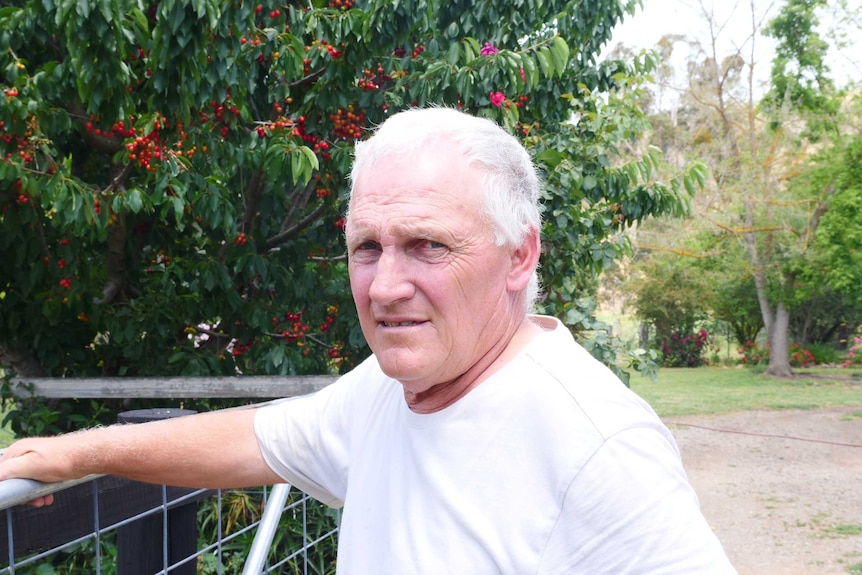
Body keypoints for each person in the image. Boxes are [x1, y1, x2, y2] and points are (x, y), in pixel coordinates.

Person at [0, 107, 737, 573]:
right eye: (366, 247)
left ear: (520, 255)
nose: (384, 286)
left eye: (427, 245)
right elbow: (245, 440)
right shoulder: (387, 392)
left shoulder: (597, 447)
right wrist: (68, 453)